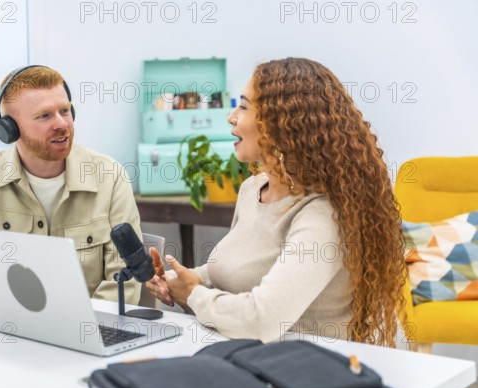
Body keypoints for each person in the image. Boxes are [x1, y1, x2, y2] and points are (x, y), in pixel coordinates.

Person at [147, 58, 407, 346]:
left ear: (282, 124)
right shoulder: (252, 189)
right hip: (243, 355)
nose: (231, 117)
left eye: (244, 107)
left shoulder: (324, 215)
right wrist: (178, 280)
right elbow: (234, 269)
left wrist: (194, 294)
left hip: (306, 372)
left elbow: (263, 320)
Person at [0, 65, 142, 305]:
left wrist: (87, 329)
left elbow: (126, 279)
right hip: (13, 328)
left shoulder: (110, 176)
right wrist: (31, 269)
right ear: (9, 129)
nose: (62, 123)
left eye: (65, 110)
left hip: (90, 332)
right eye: (44, 116)